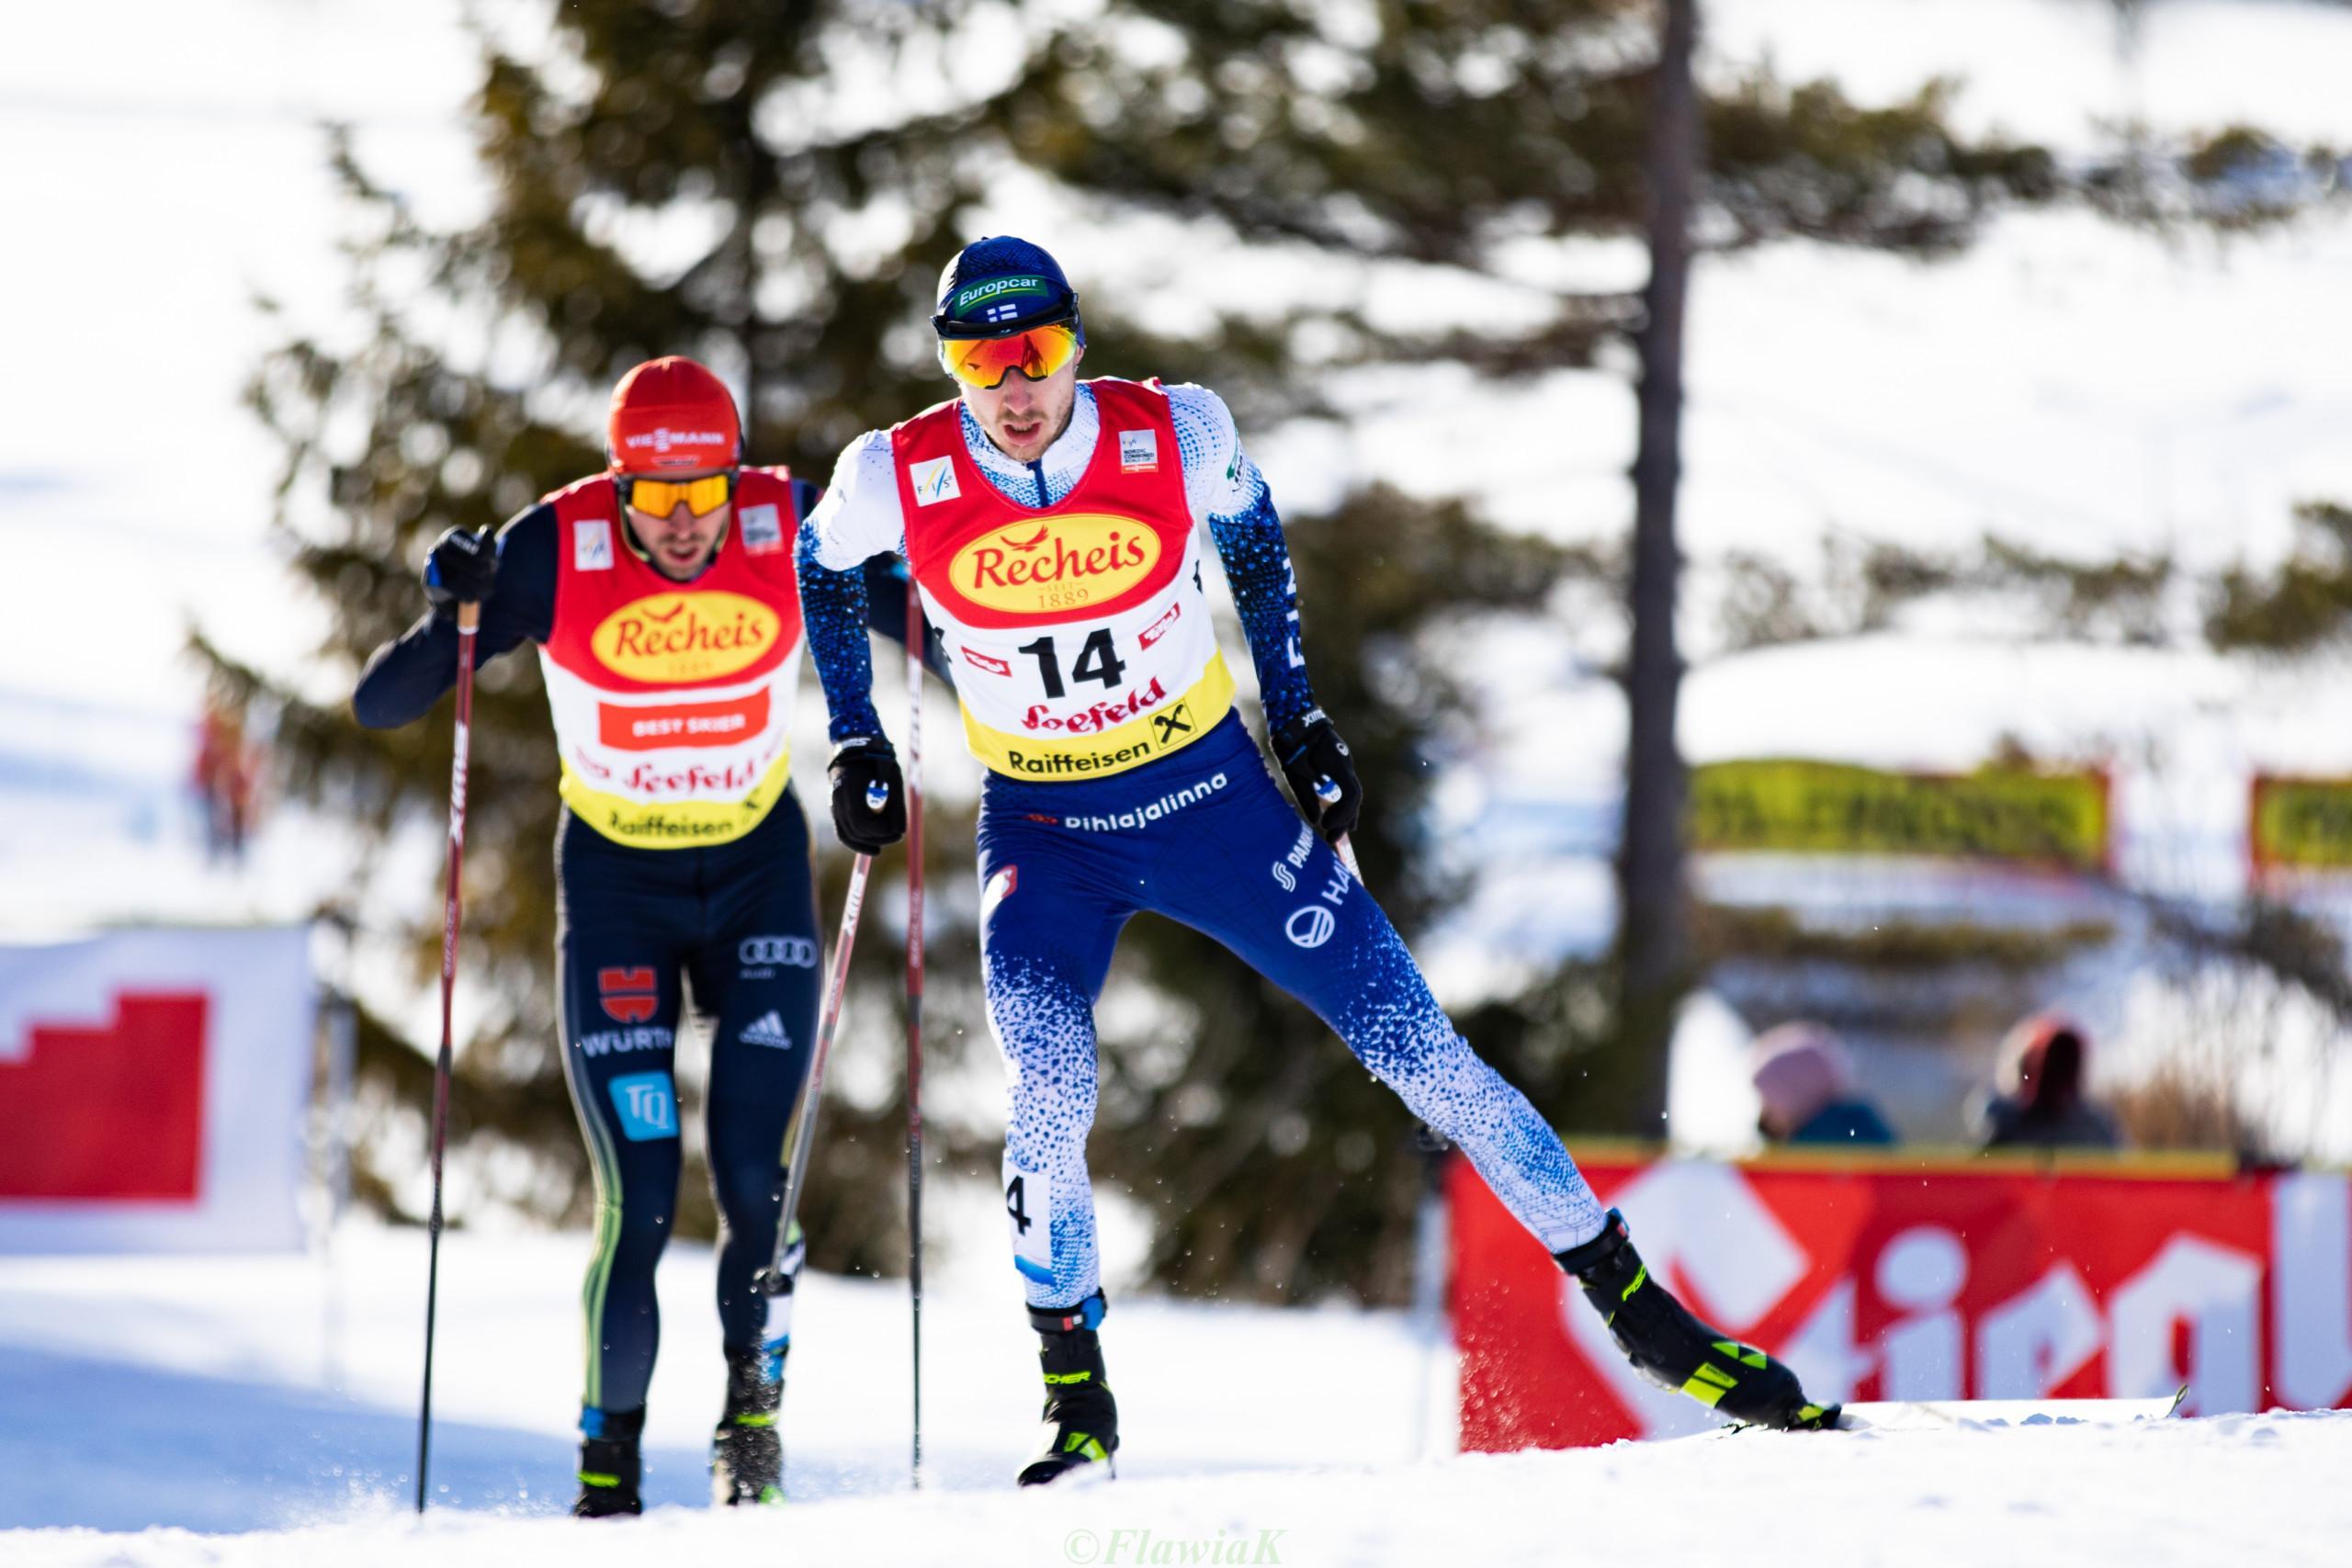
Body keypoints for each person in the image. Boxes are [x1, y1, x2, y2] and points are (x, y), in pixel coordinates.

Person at [795, 237, 1840, 1485]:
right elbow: (821, 558)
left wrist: (1294, 714)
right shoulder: (893, 472)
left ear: (1078, 344)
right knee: (1052, 1092)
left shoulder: (1174, 432)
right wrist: (855, 734)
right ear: (953, 366)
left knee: (1423, 1057)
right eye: (982, 362)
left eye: (1039, 353)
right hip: (1046, 828)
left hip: (1209, 798)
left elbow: (1252, 532)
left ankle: (1654, 1325)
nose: (1014, 387)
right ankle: (1076, 1397)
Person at [354, 356, 914, 1516]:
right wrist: (450, 608)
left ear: (732, 479)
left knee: (758, 1180)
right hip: (618, 894)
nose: (681, 526)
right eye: (654, 501)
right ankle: (607, 1473)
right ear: (617, 488)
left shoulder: (787, 519)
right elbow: (384, 703)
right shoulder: (559, 548)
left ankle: (748, 1435)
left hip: (757, 882)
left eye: (701, 495)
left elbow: (928, 611)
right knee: (643, 1194)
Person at [1978, 1011, 2123, 1152]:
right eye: (2049, 1062)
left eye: (2065, 1063)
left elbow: (2118, 1171)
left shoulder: (2093, 1128)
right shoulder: (2002, 1121)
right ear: (2026, 1067)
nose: (2057, 1070)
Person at [1750, 1021, 1897, 1146]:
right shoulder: (1861, 1123)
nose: (1763, 1115)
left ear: (1794, 1097)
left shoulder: (1811, 1144)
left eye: (1769, 1103)